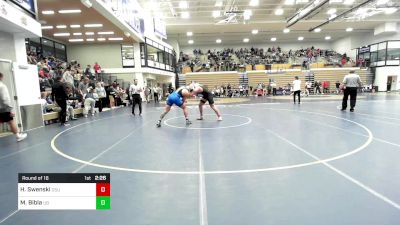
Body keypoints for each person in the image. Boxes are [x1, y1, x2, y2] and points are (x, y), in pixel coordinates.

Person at [0, 72, 27, 142]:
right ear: (1, 77)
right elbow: (4, 99)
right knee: (11, 121)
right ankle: (18, 136)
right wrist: (10, 109)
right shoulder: (2, 86)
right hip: (3, 109)